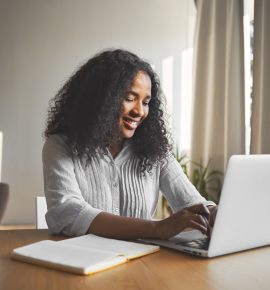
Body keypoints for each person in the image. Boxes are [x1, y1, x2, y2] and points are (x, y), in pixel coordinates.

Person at [42, 49, 217, 239]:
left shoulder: (155, 151)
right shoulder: (60, 145)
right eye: (130, 98)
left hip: (141, 264)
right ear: (100, 98)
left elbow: (193, 204)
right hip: (84, 262)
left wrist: (217, 214)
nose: (139, 111)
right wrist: (155, 229)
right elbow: (67, 212)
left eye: (146, 102)